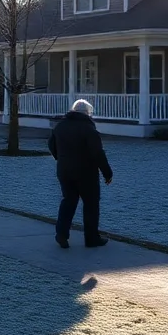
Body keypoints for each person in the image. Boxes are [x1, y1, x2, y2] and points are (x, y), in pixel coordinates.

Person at [47, 98, 113, 249]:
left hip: (64, 170)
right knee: (91, 204)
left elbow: (51, 145)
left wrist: (60, 158)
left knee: (68, 201)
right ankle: (91, 238)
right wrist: (107, 173)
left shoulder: (60, 126)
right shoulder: (88, 128)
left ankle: (61, 234)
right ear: (87, 113)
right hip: (86, 172)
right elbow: (98, 153)